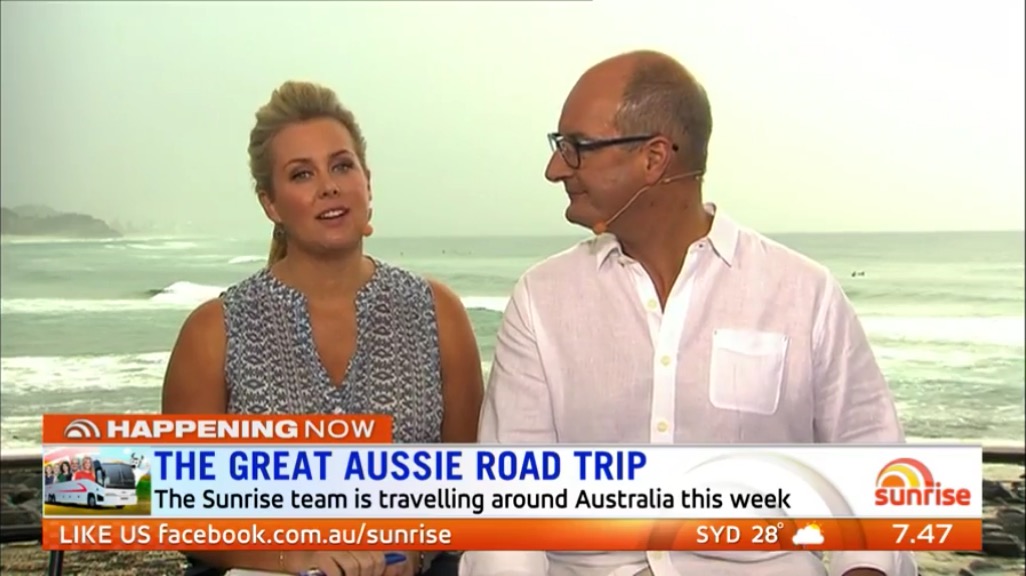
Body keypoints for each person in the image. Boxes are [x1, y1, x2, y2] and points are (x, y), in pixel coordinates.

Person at [461, 51, 915, 576]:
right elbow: (509, 508)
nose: (555, 169)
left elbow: (875, 468)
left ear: (654, 158)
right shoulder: (541, 299)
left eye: (576, 148)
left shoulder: (803, 294)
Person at [162, 80, 484, 576]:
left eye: (341, 166)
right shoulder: (214, 331)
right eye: (301, 174)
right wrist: (298, 558)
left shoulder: (438, 312)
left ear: (367, 183)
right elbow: (183, 513)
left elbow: (466, 490)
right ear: (271, 204)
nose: (328, 186)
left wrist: (413, 552)